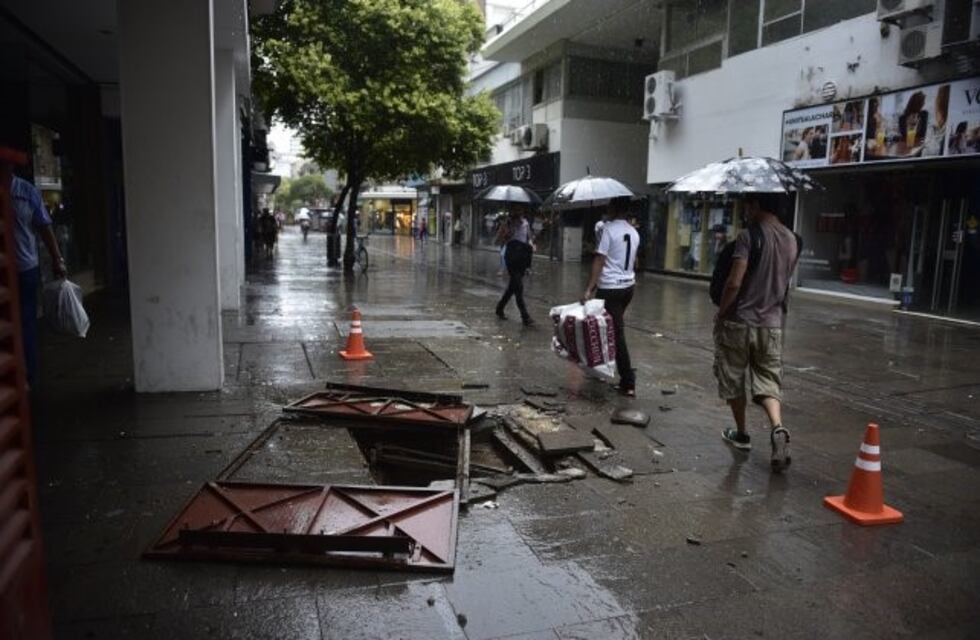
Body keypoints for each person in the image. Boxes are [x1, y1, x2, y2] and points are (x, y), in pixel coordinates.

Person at [714, 192, 799, 472]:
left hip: (740, 322)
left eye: (747, 205)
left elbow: (734, 282)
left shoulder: (748, 237)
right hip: (771, 324)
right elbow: (784, 281)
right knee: (768, 380)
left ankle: (742, 433)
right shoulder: (792, 239)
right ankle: (777, 427)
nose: (745, 211)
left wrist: (721, 311)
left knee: (734, 378)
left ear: (756, 205)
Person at [1, 146, 67, 389]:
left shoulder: (27, 192)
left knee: (25, 322)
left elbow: (45, 228)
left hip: (24, 268)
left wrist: (58, 260)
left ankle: (28, 374)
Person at [584, 196, 639, 397]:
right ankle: (604, 367)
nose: (607, 208)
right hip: (628, 288)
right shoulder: (633, 232)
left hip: (610, 289)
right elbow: (634, 261)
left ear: (615, 208)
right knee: (610, 328)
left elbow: (599, 260)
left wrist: (590, 288)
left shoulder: (608, 230)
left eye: (609, 205)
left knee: (616, 333)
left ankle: (628, 381)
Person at [495, 208, 534, 326]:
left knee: (513, 286)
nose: (518, 213)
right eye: (516, 210)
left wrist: (531, 243)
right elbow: (497, 241)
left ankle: (499, 308)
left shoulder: (526, 223)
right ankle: (525, 316)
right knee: (518, 286)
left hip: (523, 256)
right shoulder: (506, 223)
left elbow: (529, 238)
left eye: (520, 209)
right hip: (512, 255)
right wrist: (506, 234)